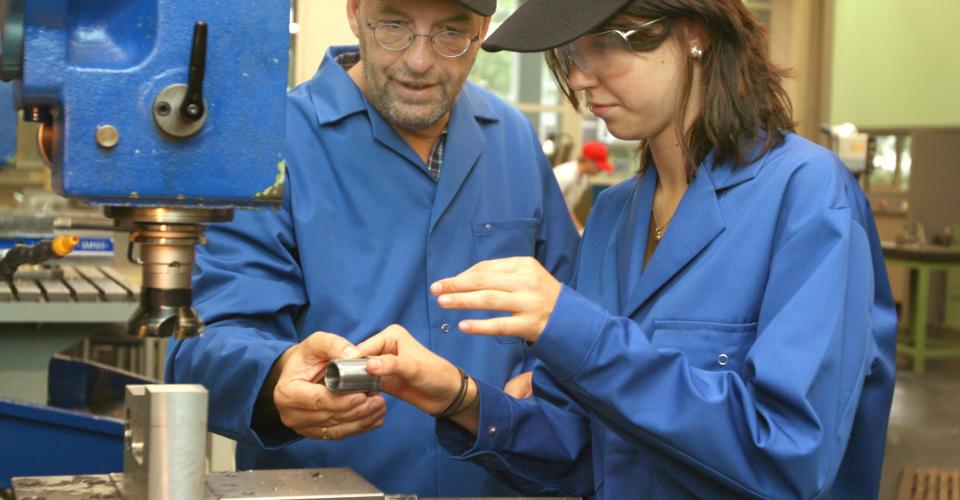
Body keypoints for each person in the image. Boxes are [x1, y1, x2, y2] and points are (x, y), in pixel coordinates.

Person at [354, 0, 898, 498]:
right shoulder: (615, 216)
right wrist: (461, 398)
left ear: (692, 34)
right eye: (569, 54)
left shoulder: (806, 195)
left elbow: (789, 458)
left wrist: (575, 330)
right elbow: (584, 451)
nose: (580, 77)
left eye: (603, 42)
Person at [164, 0, 579, 496]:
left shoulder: (512, 138)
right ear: (356, 12)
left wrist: (544, 378)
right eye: (394, 26)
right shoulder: (272, 145)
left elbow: (568, 308)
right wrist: (275, 378)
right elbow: (205, 341)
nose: (420, 61)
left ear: (483, 29)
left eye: (450, 33)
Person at [552, 140, 614, 230]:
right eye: (599, 165)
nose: (601, 169)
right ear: (588, 160)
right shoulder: (565, 175)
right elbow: (550, 206)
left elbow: (567, 209)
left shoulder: (583, 179)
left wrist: (580, 231)